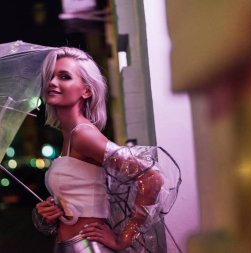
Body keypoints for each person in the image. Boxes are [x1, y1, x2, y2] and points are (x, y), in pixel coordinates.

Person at [33, 47, 163, 253]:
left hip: (88, 247)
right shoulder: (69, 135)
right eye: (50, 76)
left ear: (86, 90)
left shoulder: (83, 135)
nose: (52, 82)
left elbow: (152, 177)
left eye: (64, 77)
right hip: (67, 246)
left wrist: (125, 237)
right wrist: (49, 212)